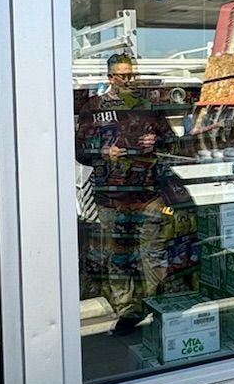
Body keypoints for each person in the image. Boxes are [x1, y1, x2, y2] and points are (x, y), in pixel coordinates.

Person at [75, 51, 177, 335]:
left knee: (153, 254)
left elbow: (173, 143)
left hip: (148, 194)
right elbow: (79, 150)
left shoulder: (148, 107)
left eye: (133, 74)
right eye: (124, 75)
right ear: (110, 77)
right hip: (111, 197)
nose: (130, 80)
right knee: (119, 257)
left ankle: (156, 306)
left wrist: (157, 140)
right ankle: (128, 312)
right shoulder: (93, 108)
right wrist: (104, 151)